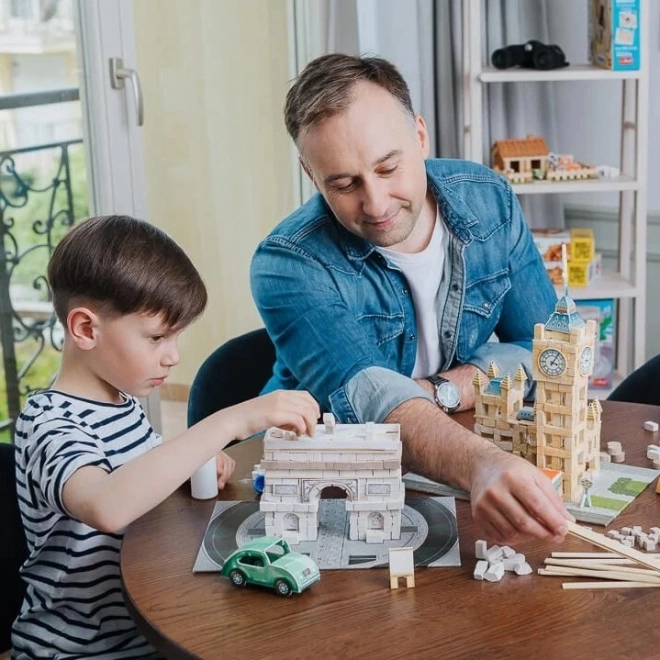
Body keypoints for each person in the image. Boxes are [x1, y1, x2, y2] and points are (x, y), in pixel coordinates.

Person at [251, 53, 571, 545]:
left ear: (420, 137)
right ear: (311, 176)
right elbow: (373, 399)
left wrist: (444, 389)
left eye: (388, 167)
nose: (376, 204)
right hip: (328, 477)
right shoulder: (287, 262)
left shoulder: (489, 199)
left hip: (450, 458)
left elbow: (550, 351)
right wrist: (481, 460)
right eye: (344, 183)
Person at [12, 215, 319, 660]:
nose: (173, 356)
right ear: (85, 328)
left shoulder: (124, 405)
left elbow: (142, 478)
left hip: (153, 630)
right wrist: (229, 422)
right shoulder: (48, 422)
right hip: (81, 651)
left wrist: (193, 465)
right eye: (156, 337)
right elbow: (107, 504)